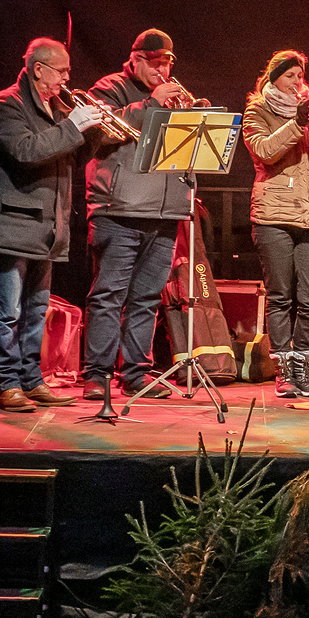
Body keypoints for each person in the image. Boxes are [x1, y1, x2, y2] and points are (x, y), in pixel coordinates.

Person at [0, 37, 104, 412]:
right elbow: (27, 152)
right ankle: (8, 383)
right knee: (8, 311)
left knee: (35, 310)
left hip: (45, 227)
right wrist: (72, 126)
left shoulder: (53, 108)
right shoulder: (7, 105)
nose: (66, 78)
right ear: (38, 69)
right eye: (61, 71)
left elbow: (64, 160)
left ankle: (31, 379)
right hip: (13, 225)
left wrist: (92, 132)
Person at [79, 29, 195, 402]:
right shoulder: (109, 87)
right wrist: (150, 105)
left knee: (146, 298)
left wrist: (190, 115)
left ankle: (136, 375)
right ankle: (96, 375)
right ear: (136, 60)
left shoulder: (171, 94)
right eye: (156, 63)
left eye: (168, 63)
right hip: (119, 210)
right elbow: (100, 131)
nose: (163, 71)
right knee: (109, 296)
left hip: (163, 213)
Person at [243, 49, 309, 398]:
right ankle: (284, 368)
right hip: (273, 214)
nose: (298, 83)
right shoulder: (257, 110)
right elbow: (265, 151)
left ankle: (302, 362)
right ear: (274, 78)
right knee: (280, 296)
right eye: (291, 77)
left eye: (301, 77)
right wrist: (297, 123)